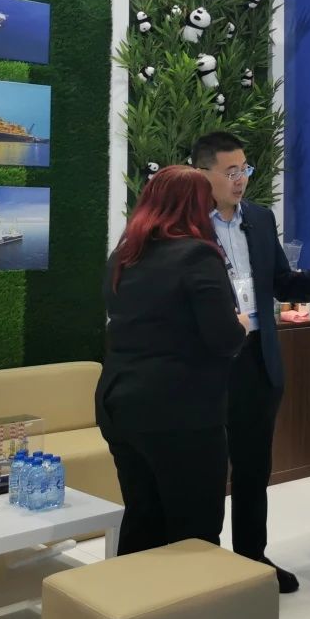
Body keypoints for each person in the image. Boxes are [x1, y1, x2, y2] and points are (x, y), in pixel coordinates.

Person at [192, 132, 310, 595]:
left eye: (245, 169)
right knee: (205, 470)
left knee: (253, 466)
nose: (240, 179)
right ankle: (201, 565)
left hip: (257, 356)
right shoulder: (187, 225)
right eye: (230, 171)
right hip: (208, 362)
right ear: (203, 174)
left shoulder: (259, 219)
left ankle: (252, 557)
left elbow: (280, 281)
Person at [99, 165, 250, 556]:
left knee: (142, 517)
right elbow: (223, 338)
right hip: (180, 412)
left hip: (120, 403)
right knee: (194, 530)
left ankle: (132, 595)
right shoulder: (197, 255)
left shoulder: (124, 255)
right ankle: (190, 597)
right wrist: (241, 325)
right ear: (196, 206)